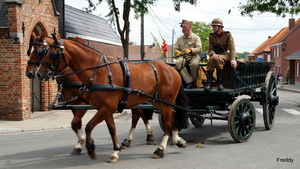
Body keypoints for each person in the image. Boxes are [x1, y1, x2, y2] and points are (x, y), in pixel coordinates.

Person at [205, 18, 237, 91]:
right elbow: (210, 48)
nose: (213, 28)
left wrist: (233, 60)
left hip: (225, 54)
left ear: (220, 27)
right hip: (215, 55)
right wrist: (213, 54)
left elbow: (232, 48)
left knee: (218, 59)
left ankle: (219, 82)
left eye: (214, 26)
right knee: (212, 60)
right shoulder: (211, 36)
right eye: (212, 26)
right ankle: (209, 83)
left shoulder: (227, 35)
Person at [174, 19, 202, 89]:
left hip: (193, 56)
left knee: (194, 64)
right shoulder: (179, 39)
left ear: (189, 27)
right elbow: (175, 49)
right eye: (182, 27)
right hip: (183, 56)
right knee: (178, 62)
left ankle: (194, 83)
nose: (182, 29)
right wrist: (177, 52)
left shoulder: (196, 37)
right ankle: (190, 82)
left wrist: (191, 50)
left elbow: (199, 49)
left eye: (184, 27)